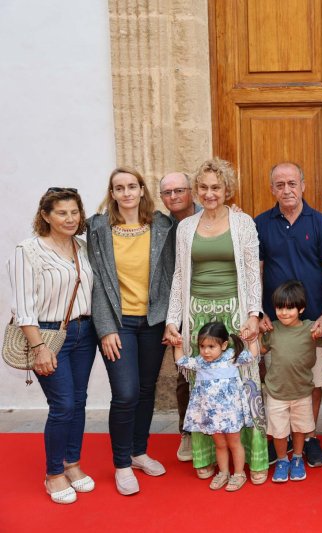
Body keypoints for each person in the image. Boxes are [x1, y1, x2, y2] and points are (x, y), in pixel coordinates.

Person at [164, 157, 268, 483]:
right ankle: (207, 455)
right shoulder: (184, 228)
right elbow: (179, 276)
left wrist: (253, 315)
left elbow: (253, 273)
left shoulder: (243, 224)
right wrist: (173, 321)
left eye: (216, 188)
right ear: (197, 190)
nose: (210, 194)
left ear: (227, 190)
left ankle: (253, 458)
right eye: (204, 188)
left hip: (235, 313)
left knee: (244, 382)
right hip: (197, 313)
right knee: (201, 387)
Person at [87, 167, 175, 496]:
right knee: (125, 393)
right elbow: (95, 283)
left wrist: (170, 320)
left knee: (146, 389)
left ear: (141, 190)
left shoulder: (162, 225)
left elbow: (171, 273)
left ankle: (139, 452)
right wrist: (105, 327)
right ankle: (122, 464)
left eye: (132, 186)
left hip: (152, 321)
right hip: (118, 323)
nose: (126, 193)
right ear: (112, 194)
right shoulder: (97, 228)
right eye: (119, 188)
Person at [7, 188, 97, 504]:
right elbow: (22, 306)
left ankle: (73, 463)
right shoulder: (28, 250)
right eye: (61, 212)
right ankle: (53, 473)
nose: (70, 218)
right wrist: (40, 347)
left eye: (74, 212)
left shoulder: (83, 248)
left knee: (79, 401)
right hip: (46, 334)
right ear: (45, 215)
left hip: (84, 333)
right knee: (63, 405)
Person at [255, 162, 322, 468]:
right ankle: (281, 437)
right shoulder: (261, 224)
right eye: (280, 184)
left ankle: (310, 435)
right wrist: (258, 312)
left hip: (312, 323)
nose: (286, 189)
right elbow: (257, 272)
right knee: (276, 380)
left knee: (312, 383)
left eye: (292, 183)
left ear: (303, 185)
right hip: (274, 324)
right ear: (272, 189)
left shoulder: (321, 224)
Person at [262, 281, 322, 483]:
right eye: (279, 308)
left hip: (303, 392)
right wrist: (256, 329)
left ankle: (296, 458)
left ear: (301, 308)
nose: (284, 313)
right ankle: (281, 460)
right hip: (276, 392)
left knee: (300, 428)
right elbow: (260, 350)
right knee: (278, 431)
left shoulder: (311, 328)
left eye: (289, 308)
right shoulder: (273, 330)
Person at [173, 321, 256, 492]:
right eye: (202, 346)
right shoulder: (199, 362)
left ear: (224, 345)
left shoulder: (232, 357)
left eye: (211, 346)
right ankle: (223, 472)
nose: (206, 351)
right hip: (211, 415)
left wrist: (254, 339)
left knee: (234, 443)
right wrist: (178, 345)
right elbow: (181, 361)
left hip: (231, 413)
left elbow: (252, 355)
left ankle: (239, 473)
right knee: (220, 444)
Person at [159, 171, 201, 462]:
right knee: (185, 372)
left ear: (192, 192)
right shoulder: (160, 226)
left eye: (179, 190)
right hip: (179, 307)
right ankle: (187, 432)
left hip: (215, 299)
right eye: (167, 192)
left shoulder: (212, 216)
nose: (174, 197)